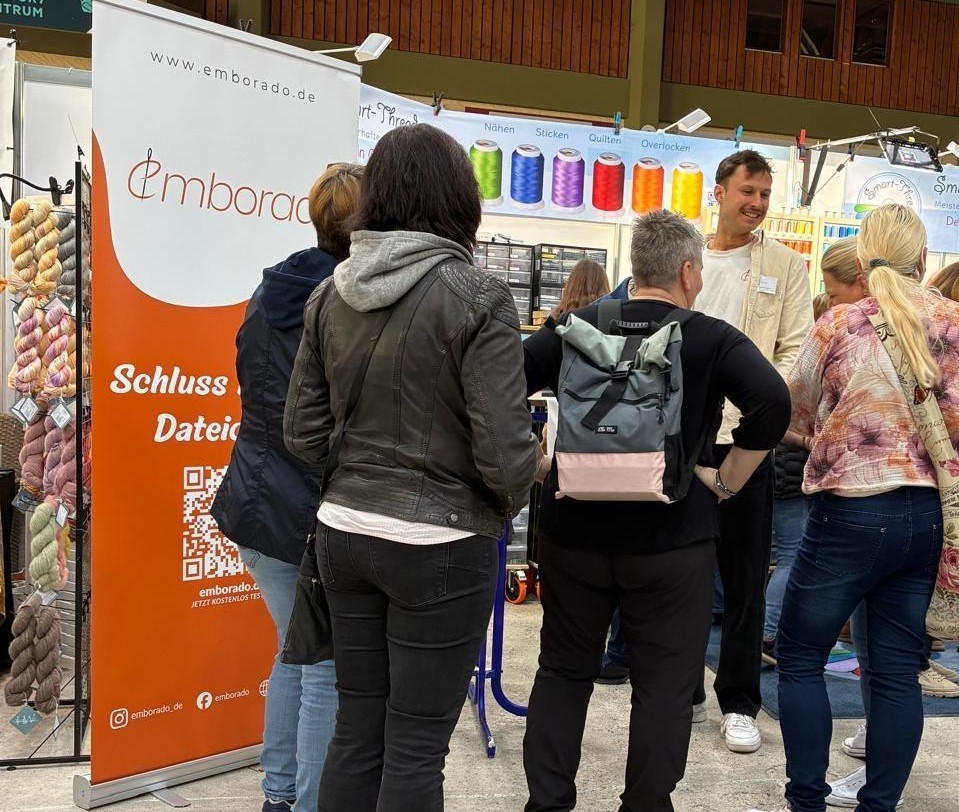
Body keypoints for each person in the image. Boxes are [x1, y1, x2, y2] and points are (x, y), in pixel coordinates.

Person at [283, 123, 538, 812]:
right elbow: (505, 457)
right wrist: (524, 477)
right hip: (441, 546)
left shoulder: (328, 295)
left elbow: (301, 436)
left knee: (356, 730)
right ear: (460, 198)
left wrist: (359, 470)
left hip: (344, 534)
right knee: (418, 743)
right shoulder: (478, 296)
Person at [522, 209, 790, 812]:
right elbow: (772, 402)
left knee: (563, 672)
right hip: (674, 539)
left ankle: (547, 802)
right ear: (689, 272)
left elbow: (494, 385)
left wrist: (538, 463)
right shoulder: (710, 336)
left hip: (573, 532)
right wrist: (723, 482)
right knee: (663, 685)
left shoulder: (573, 326)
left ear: (636, 268)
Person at [748, 204, 959, 812]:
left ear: (862, 257)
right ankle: (879, 805)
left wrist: (835, 436)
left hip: (850, 512)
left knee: (801, 656)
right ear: (923, 258)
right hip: (927, 518)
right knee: (895, 671)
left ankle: (806, 801)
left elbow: (792, 410)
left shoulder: (839, 325)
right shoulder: (952, 323)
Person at [211, 163, 362, 812]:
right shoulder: (350, 303)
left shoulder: (268, 291)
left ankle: (280, 795)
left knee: (296, 656)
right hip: (310, 514)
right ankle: (304, 803)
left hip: (255, 502)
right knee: (324, 665)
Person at [693, 150, 814, 753]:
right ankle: (683, 687)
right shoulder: (686, 255)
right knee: (680, 571)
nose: (758, 204)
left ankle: (739, 700)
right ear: (719, 191)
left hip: (749, 440)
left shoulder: (787, 267)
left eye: (766, 194)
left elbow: (796, 351)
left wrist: (763, 409)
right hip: (686, 439)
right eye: (749, 191)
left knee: (745, 579)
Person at [763, 239, 858, 665]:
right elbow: (790, 410)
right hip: (798, 468)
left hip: (798, 467)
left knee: (794, 552)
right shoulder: (828, 336)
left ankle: (775, 637)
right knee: (794, 551)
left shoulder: (826, 336)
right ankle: (773, 636)